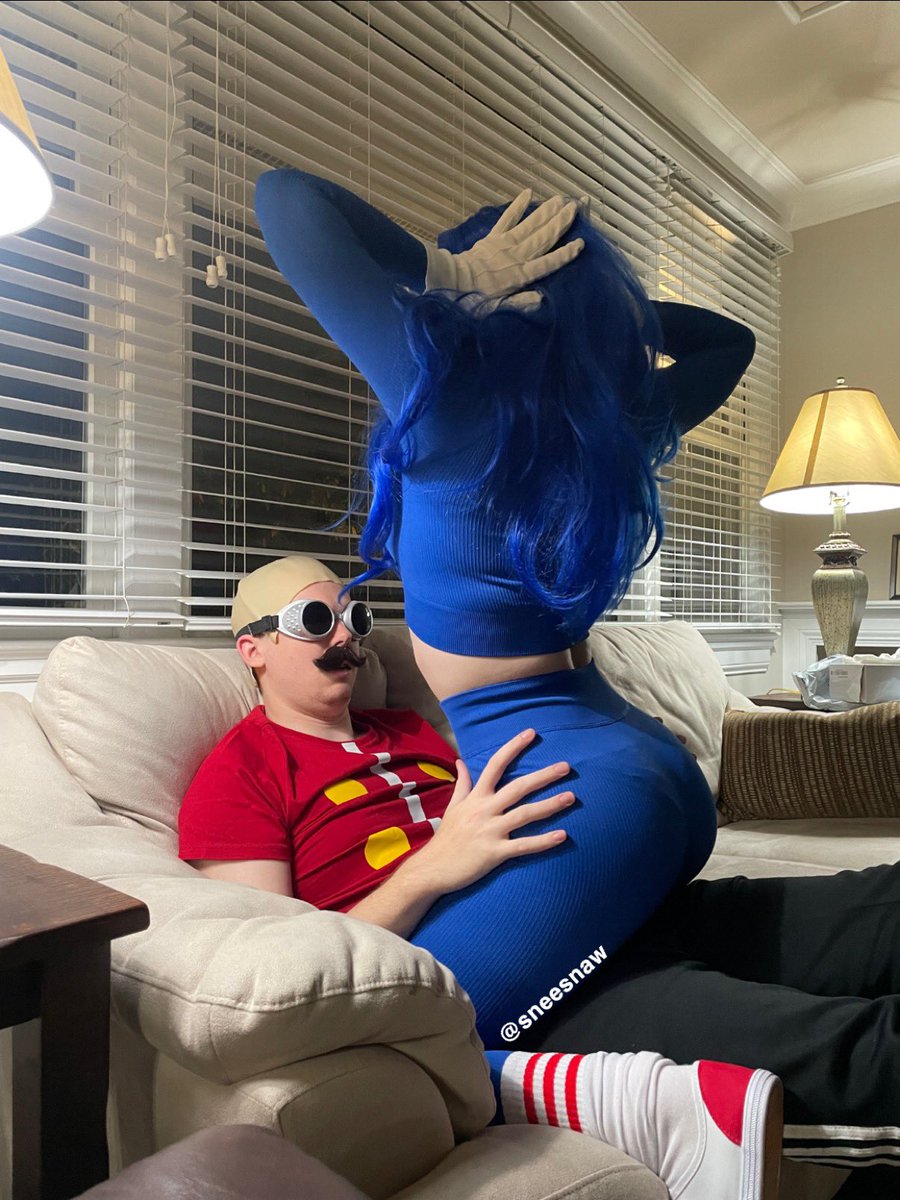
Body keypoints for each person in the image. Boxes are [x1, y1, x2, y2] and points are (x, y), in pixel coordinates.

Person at [179, 554, 783, 1200]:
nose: (345, 637)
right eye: (315, 620)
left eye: (354, 618)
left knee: (778, 932)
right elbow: (279, 970)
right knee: (749, 1022)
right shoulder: (238, 774)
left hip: (558, 905)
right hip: (443, 964)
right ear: (254, 649)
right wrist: (428, 872)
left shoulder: (409, 728)